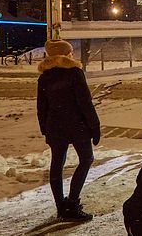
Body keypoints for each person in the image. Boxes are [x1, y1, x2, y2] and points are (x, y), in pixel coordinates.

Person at [36, 39, 100, 221]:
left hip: (55, 127)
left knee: (57, 165)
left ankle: (61, 207)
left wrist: (45, 129)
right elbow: (85, 103)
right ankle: (72, 204)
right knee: (86, 159)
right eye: (70, 52)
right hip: (77, 126)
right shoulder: (74, 73)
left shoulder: (44, 77)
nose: (73, 55)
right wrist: (94, 126)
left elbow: (42, 107)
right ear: (65, 55)